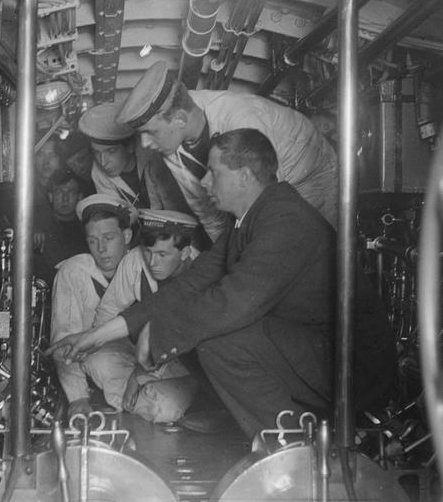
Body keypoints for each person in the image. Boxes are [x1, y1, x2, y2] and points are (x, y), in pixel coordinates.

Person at [47, 128, 394, 439]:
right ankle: (281, 431)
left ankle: (293, 446)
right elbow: (189, 286)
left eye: (214, 173)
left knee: (218, 340)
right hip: (308, 349)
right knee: (203, 333)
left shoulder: (285, 220)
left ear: (243, 176)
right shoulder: (249, 222)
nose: (205, 183)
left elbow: (234, 301)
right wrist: (95, 336)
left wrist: (161, 334)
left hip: (349, 365)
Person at [116, 60, 338, 240]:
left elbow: (267, 208)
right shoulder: (170, 144)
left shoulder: (241, 121)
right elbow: (208, 213)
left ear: (180, 119)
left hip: (309, 175)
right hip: (273, 190)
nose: (144, 144)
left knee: (306, 249)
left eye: (150, 132)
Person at [93, 209, 201, 423]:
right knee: (96, 360)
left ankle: (153, 397)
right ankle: (143, 396)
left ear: (185, 252)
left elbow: (179, 342)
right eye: (148, 252)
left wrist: (137, 376)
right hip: (144, 358)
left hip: (187, 364)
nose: (152, 262)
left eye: (162, 255)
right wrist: (95, 344)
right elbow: (107, 311)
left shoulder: (202, 271)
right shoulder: (135, 260)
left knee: (164, 407)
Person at [49, 194, 138, 420]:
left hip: (146, 364)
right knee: (97, 360)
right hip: (104, 362)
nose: (101, 248)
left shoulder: (143, 264)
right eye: (92, 241)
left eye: (109, 237)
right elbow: (64, 337)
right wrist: (78, 397)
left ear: (126, 236)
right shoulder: (73, 272)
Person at [79, 103, 209, 249]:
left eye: (111, 152)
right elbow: (118, 219)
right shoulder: (98, 173)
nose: (102, 162)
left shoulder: (156, 156)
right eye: (96, 152)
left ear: (129, 146)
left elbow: (177, 211)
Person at [33, 169, 89, 285]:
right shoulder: (38, 227)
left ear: (79, 197)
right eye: (59, 192)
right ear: (50, 197)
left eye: (71, 192)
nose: (65, 198)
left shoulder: (87, 229)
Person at [56, 131, 96, 197]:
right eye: (72, 165)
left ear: (91, 153)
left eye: (81, 160)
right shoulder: (77, 187)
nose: (78, 168)